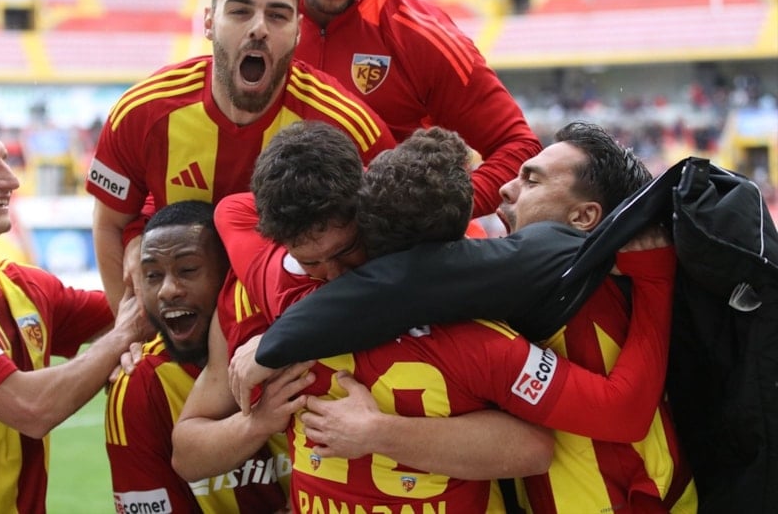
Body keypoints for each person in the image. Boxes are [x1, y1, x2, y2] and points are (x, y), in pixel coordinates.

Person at [227, 122, 697, 512]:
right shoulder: (482, 317)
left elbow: (582, 429)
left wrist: (376, 430)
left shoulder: (504, 309)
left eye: (531, 180)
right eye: (309, 261)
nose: (505, 187)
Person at [172, 122, 555, 506]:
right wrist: (254, 424)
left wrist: (381, 433)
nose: (334, 275)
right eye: (310, 262)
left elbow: (534, 447)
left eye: (346, 250)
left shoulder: (450, 269)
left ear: (368, 208)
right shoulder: (250, 296)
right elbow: (187, 455)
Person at [85, 0, 397, 311]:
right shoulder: (142, 112)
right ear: (209, 22)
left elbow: (395, 232)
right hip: (183, 319)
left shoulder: (347, 123)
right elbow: (110, 223)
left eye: (277, 16)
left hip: (295, 323)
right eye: (239, 11)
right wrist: (134, 328)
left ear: (297, 31)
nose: (259, 28)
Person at [0, 104, 148, 513]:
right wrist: (123, 339)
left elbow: (138, 313)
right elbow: (32, 407)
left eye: (5, 159)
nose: (11, 179)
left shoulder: (27, 287)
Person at [105, 200, 297, 513]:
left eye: (188, 270)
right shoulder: (141, 382)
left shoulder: (291, 337)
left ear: (232, 274)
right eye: (152, 275)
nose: (167, 290)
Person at [296, 0, 542, 217]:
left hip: (388, 238)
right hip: (282, 228)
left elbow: (519, 146)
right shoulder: (273, 23)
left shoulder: (421, 35)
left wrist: (441, 211)